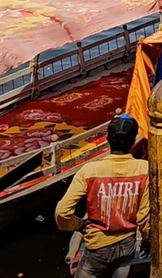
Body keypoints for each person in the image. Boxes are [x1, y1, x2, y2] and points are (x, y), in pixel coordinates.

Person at [55, 115, 149, 278]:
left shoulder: (89, 170)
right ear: (133, 141)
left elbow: (62, 213)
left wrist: (78, 225)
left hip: (97, 248)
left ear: (107, 139)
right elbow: (144, 217)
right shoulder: (144, 169)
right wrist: (147, 241)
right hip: (127, 246)